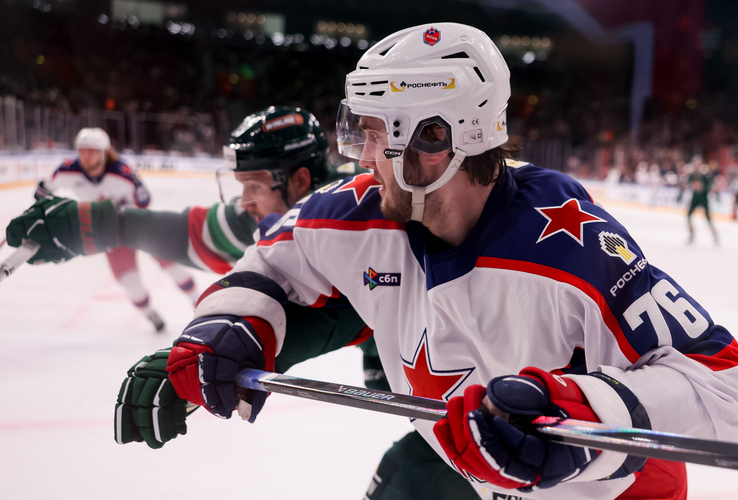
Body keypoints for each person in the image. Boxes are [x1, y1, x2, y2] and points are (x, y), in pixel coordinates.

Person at [156, 23, 738, 500]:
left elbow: (725, 384)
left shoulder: (568, 246)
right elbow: (269, 261)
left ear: (436, 140)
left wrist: (583, 414)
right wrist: (229, 321)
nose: (362, 158)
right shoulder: (357, 211)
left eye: (375, 135)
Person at [6, 106, 478, 499]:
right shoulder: (281, 214)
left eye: (254, 186)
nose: (244, 202)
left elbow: (337, 317)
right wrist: (86, 224)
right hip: (426, 387)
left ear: (299, 181)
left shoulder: (366, 219)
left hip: (478, 388)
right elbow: (191, 232)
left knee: (411, 479)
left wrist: (219, 358)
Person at [33, 127, 201, 330]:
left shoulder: (122, 172)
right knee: (130, 282)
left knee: (171, 263)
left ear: (104, 152)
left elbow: (144, 202)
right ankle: (150, 314)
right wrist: (39, 207)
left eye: (92, 151)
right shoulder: (67, 170)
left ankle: (199, 301)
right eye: (82, 150)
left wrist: (114, 213)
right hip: (110, 233)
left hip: (139, 224)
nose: (86, 156)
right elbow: (44, 190)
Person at [684, 160, 719, 244]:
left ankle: (715, 235)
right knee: (688, 216)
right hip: (695, 199)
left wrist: (712, 190)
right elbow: (687, 184)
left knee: (708, 219)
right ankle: (691, 234)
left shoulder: (704, 177)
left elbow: (712, 184)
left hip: (703, 199)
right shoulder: (692, 176)